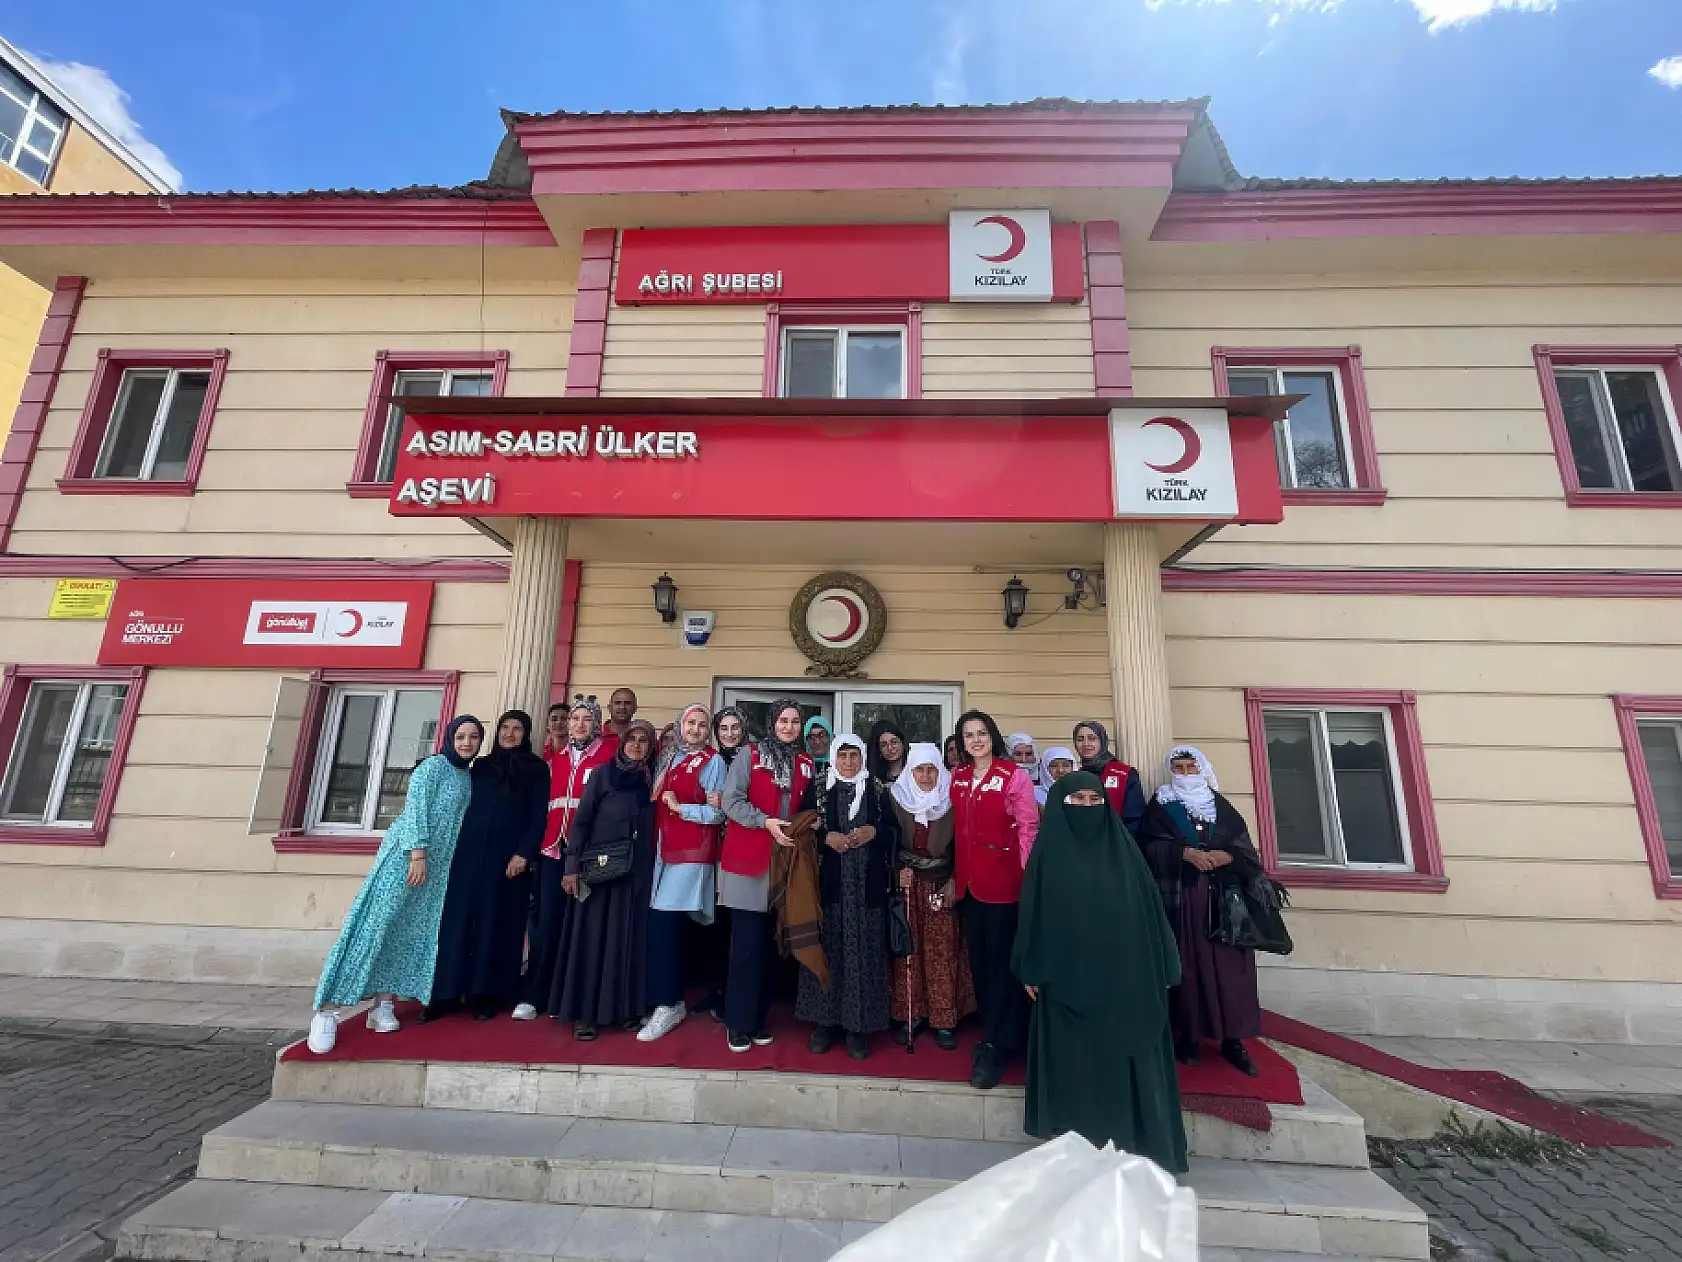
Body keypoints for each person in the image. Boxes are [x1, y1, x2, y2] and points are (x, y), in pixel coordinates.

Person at [1013, 773, 1188, 1173]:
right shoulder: (1048, 854)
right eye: (1078, 800)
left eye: (1096, 799)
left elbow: (1151, 912)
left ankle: (1134, 1139)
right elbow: (1033, 917)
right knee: (1076, 1063)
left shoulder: (1125, 853)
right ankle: (1076, 1141)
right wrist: (1029, 966)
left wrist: (1164, 965)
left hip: (1126, 976)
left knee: (1124, 1055)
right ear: (1060, 805)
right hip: (1065, 976)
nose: (1089, 807)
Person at [306, 716, 484, 1053]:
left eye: (473, 737)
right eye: (460, 736)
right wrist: (417, 852)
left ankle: (382, 1003)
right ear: (449, 737)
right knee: (374, 926)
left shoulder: (465, 777)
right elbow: (416, 809)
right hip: (407, 858)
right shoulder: (433, 767)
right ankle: (327, 1010)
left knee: (406, 932)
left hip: (436, 870)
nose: (466, 743)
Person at [1137, 746, 1266, 1077]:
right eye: (1178, 768)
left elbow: (1245, 849)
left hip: (1223, 902)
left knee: (1229, 970)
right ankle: (1190, 1038)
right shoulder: (1162, 805)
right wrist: (1183, 853)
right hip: (1184, 899)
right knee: (1188, 967)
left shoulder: (1221, 807)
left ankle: (1233, 1040)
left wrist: (1228, 857)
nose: (1184, 773)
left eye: (1190, 767)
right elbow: (1147, 846)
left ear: (1203, 768)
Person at [427, 710, 547, 1021]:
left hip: (508, 861)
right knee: (458, 923)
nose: (509, 734)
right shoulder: (479, 766)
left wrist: (524, 853)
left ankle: (486, 993)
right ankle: (447, 993)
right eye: (504, 728)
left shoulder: (536, 769)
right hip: (466, 858)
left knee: (497, 924)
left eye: (517, 728)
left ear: (527, 733)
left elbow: (538, 816)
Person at [549, 718, 659, 1039]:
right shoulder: (602, 775)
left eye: (644, 741)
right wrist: (571, 867)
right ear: (622, 743)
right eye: (632, 739)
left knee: (625, 941)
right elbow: (581, 822)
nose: (637, 746)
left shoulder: (650, 781)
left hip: (635, 875)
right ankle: (586, 1014)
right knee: (592, 939)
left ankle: (622, 1009)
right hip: (597, 873)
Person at [721, 697, 817, 1053]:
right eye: (783, 721)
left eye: (795, 721)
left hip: (786, 866)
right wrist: (765, 822)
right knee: (745, 948)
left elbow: (805, 807)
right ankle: (737, 1023)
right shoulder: (751, 754)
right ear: (773, 723)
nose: (789, 727)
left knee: (770, 947)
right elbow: (732, 800)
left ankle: (758, 1018)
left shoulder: (806, 762)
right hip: (749, 862)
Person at [950, 709, 1039, 1090]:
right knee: (982, 964)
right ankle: (994, 1033)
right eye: (968, 735)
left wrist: (1030, 879)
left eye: (981, 733)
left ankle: (1001, 1044)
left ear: (992, 736)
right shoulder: (958, 777)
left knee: (1004, 968)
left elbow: (1028, 828)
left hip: (1004, 886)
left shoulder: (1012, 776)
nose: (975, 740)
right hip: (970, 886)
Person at [797, 734, 897, 1059]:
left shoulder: (877, 790)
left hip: (866, 890)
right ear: (834, 759)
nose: (849, 763)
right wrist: (828, 837)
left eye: (855, 756)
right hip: (831, 888)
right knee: (830, 950)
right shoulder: (820, 787)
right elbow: (802, 826)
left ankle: (858, 1029)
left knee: (863, 955)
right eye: (843, 757)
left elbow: (895, 831)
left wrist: (875, 832)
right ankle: (825, 1024)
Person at [516, 697, 614, 1021]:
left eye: (587, 719)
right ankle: (535, 994)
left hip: (587, 855)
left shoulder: (607, 757)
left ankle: (569, 996)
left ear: (597, 723)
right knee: (546, 925)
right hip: (552, 852)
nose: (580, 724)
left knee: (582, 926)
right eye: (575, 719)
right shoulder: (555, 759)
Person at [641, 703, 722, 1042]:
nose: (696, 730)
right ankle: (662, 996)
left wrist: (681, 808)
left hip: (691, 853)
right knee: (662, 926)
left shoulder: (712, 761)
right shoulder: (670, 758)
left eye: (703, 725)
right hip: (663, 850)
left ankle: (670, 1002)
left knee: (664, 924)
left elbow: (717, 814)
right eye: (691, 723)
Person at [887, 742, 974, 1052]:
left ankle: (943, 1019)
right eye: (919, 770)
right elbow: (888, 841)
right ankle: (911, 1015)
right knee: (908, 951)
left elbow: (965, 845)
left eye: (931, 770)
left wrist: (954, 881)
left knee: (942, 951)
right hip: (909, 885)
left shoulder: (953, 799)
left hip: (941, 884)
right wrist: (897, 869)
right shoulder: (896, 798)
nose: (925, 776)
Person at [1072, 720, 1147, 837]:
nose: (1086, 744)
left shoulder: (1125, 773)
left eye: (1092, 738)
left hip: (1118, 845)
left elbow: (1135, 819)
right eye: (1080, 739)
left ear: (1102, 741)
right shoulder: (1074, 777)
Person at [867, 718, 910, 785]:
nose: (889, 748)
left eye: (894, 742)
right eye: (883, 745)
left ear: (903, 743)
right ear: (879, 750)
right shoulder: (875, 779)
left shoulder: (916, 772)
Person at [601, 687, 639, 756]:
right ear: (609, 707)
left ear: (635, 708)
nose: (622, 707)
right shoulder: (596, 735)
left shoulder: (643, 738)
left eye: (627, 703)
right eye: (617, 703)